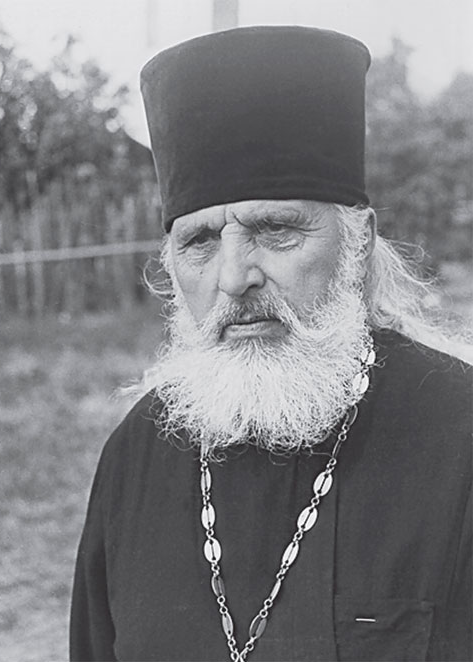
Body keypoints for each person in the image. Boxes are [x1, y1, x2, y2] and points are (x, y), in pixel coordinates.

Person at [70, 26, 471, 662]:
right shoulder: (134, 455)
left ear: (359, 243)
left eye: (276, 230)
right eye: (201, 242)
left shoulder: (461, 434)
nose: (234, 278)